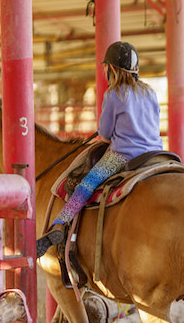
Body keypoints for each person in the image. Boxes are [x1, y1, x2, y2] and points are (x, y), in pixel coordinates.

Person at [36, 41, 164, 258]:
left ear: (112, 69)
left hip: (124, 155)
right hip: (155, 154)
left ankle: (60, 225)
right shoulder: (149, 92)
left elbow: (104, 134)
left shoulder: (114, 94)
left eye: (106, 66)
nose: (104, 70)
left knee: (86, 184)